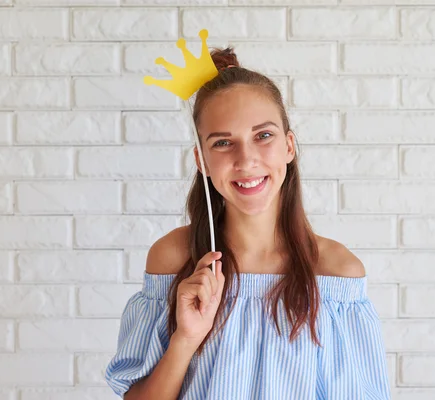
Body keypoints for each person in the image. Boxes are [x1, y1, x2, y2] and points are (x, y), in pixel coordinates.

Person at [105, 47, 391, 400]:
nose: (246, 159)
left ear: (289, 146)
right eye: (223, 143)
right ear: (202, 160)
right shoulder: (174, 259)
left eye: (263, 136)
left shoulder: (335, 274)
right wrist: (186, 337)